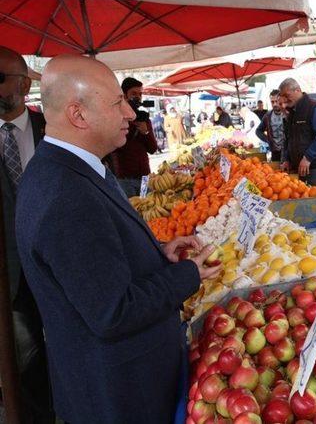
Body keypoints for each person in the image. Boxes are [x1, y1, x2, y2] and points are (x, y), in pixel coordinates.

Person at [15, 54, 222, 423]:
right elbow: (112, 311)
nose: (130, 113)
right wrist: (187, 274)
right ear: (78, 115)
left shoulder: (69, 169)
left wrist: (155, 253)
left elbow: (91, 268)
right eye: (118, 103)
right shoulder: (67, 195)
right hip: (121, 396)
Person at [0, 45, 54, 424]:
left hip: (58, 261)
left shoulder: (53, 129)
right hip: (11, 274)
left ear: (23, 82)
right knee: (25, 358)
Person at [278, 78, 316, 187]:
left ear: (297, 90)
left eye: (286, 95)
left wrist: (307, 157)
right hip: (300, 168)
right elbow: (290, 138)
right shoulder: (292, 112)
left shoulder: (315, 108)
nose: (284, 99)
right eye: (282, 96)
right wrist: (287, 159)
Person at [109, 77, 157, 197]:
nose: (138, 97)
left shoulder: (143, 118)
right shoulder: (116, 119)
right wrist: (129, 123)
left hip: (145, 176)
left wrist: (145, 132)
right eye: (133, 94)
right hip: (124, 179)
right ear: (124, 96)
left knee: (147, 207)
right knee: (131, 210)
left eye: (140, 94)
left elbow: (153, 149)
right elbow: (117, 145)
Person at [256, 89, 286, 162]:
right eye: (272, 102)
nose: (275, 104)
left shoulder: (287, 113)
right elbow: (258, 131)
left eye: (276, 101)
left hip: (287, 152)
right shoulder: (268, 115)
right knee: (276, 172)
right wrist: (267, 140)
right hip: (275, 152)